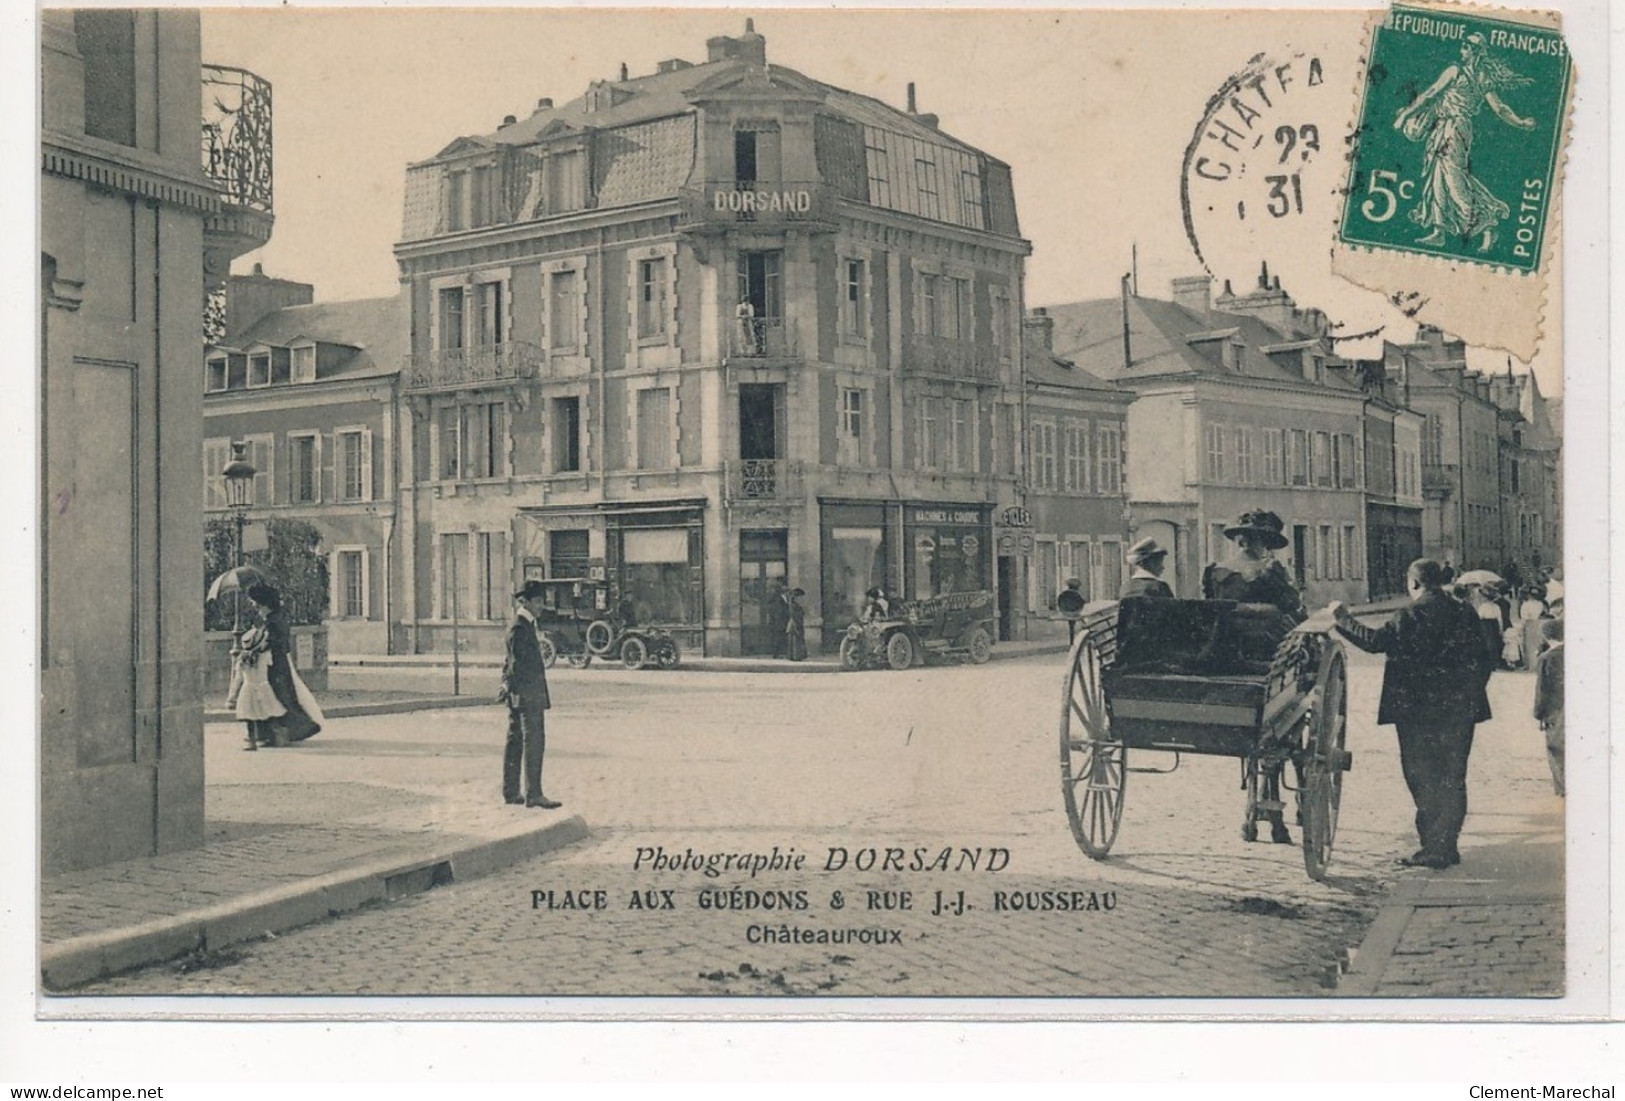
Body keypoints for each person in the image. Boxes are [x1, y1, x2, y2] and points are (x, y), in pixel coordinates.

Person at [1330, 558, 1495, 869]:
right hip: (1460, 711)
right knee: (1453, 776)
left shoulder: (1411, 614)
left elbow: (1375, 642)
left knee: (1422, 776)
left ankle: (1433, 848)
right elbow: (1486, 657)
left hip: (1418, 714)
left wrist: (1342, 619)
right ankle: (1448, 845)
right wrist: (1469, 694)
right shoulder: (1465, 611)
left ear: (1415, 584)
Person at [1393, 32, 1536, 253]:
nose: (1462, 50)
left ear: (1474, 52)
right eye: (1462, 46)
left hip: (1455, 129)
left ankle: (1488, 224)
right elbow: (1500, 109)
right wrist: (1521, 122)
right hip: (1446, 126)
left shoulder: (1461, 73)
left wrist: (1405, 116)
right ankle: (1439, 231)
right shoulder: (1480, 78)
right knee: (1438, 175)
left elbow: (1431, 94)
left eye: (1466, 47)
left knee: (1454, 179)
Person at [500, 580, 561, 809]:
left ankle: (511, 791)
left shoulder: (523, 625)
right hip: (528, 694)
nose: (541, 606)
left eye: (542, 601)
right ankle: (533, 794)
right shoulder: (520, 627)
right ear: (524, 602)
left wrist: (507, 686)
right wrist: (514, 688)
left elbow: (509, 663)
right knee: (533, 741)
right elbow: (516, 664)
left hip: (521, 693)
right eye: (537, 601)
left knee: (515, 740)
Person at [243, 584, 323, 747]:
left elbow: (273, 643)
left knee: (277, 698)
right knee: (275, 697)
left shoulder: (274, 621)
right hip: (276, 663)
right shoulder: (274, 618)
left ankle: (283, 732)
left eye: (256, 603)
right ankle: (271, 734)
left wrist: (255, 649)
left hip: (275, 665)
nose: (255, 607)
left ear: (264, 603)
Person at [1202, 510, 1306, 622]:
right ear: (1265, 542)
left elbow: (1210, 608)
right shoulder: (1269, 569)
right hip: (1263, 636)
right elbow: (1292, 604)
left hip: (1224, 636)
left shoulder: (1214, 569)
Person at [225, 619, 285, 751]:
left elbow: (238, 679)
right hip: (264, 687)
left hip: (248, 688)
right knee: (268, 712)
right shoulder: (265, 656)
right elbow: (271, 667)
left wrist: (232, 696)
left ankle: (251, 740)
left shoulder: (242, 659)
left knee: (249, 716)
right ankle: (277, 734)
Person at [1532, 616, 1564, 797]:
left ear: (1546, 636)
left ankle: (1562, 789)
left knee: (1556, 749)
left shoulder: (1547, 658)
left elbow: (1542, 689)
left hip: (1554, 711)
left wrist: (1539, 713)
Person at [785, 588, 808, 662]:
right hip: (795, 624)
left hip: (797, 623)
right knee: (796, 640)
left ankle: (796, 656)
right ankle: (796, 656)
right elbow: (794, 615)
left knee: (796, 640)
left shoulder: (793, 604)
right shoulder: (794, 605)